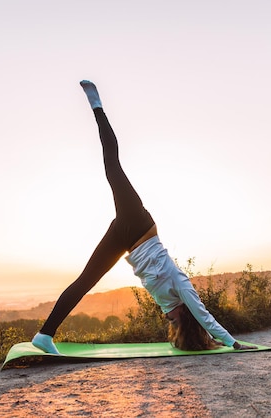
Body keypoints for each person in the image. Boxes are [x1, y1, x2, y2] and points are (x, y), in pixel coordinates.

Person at [32, 80, 256, 354]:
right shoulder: (182, 287)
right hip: (139, 225)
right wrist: (232, 342)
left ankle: (44, 335)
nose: (167, 319)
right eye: (174, 321)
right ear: (186, 317)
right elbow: (204, 315)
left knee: (86, 280)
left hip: (124, 240)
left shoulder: (167, 307)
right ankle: (97, 107)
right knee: (112, 167)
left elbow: (182, 314)